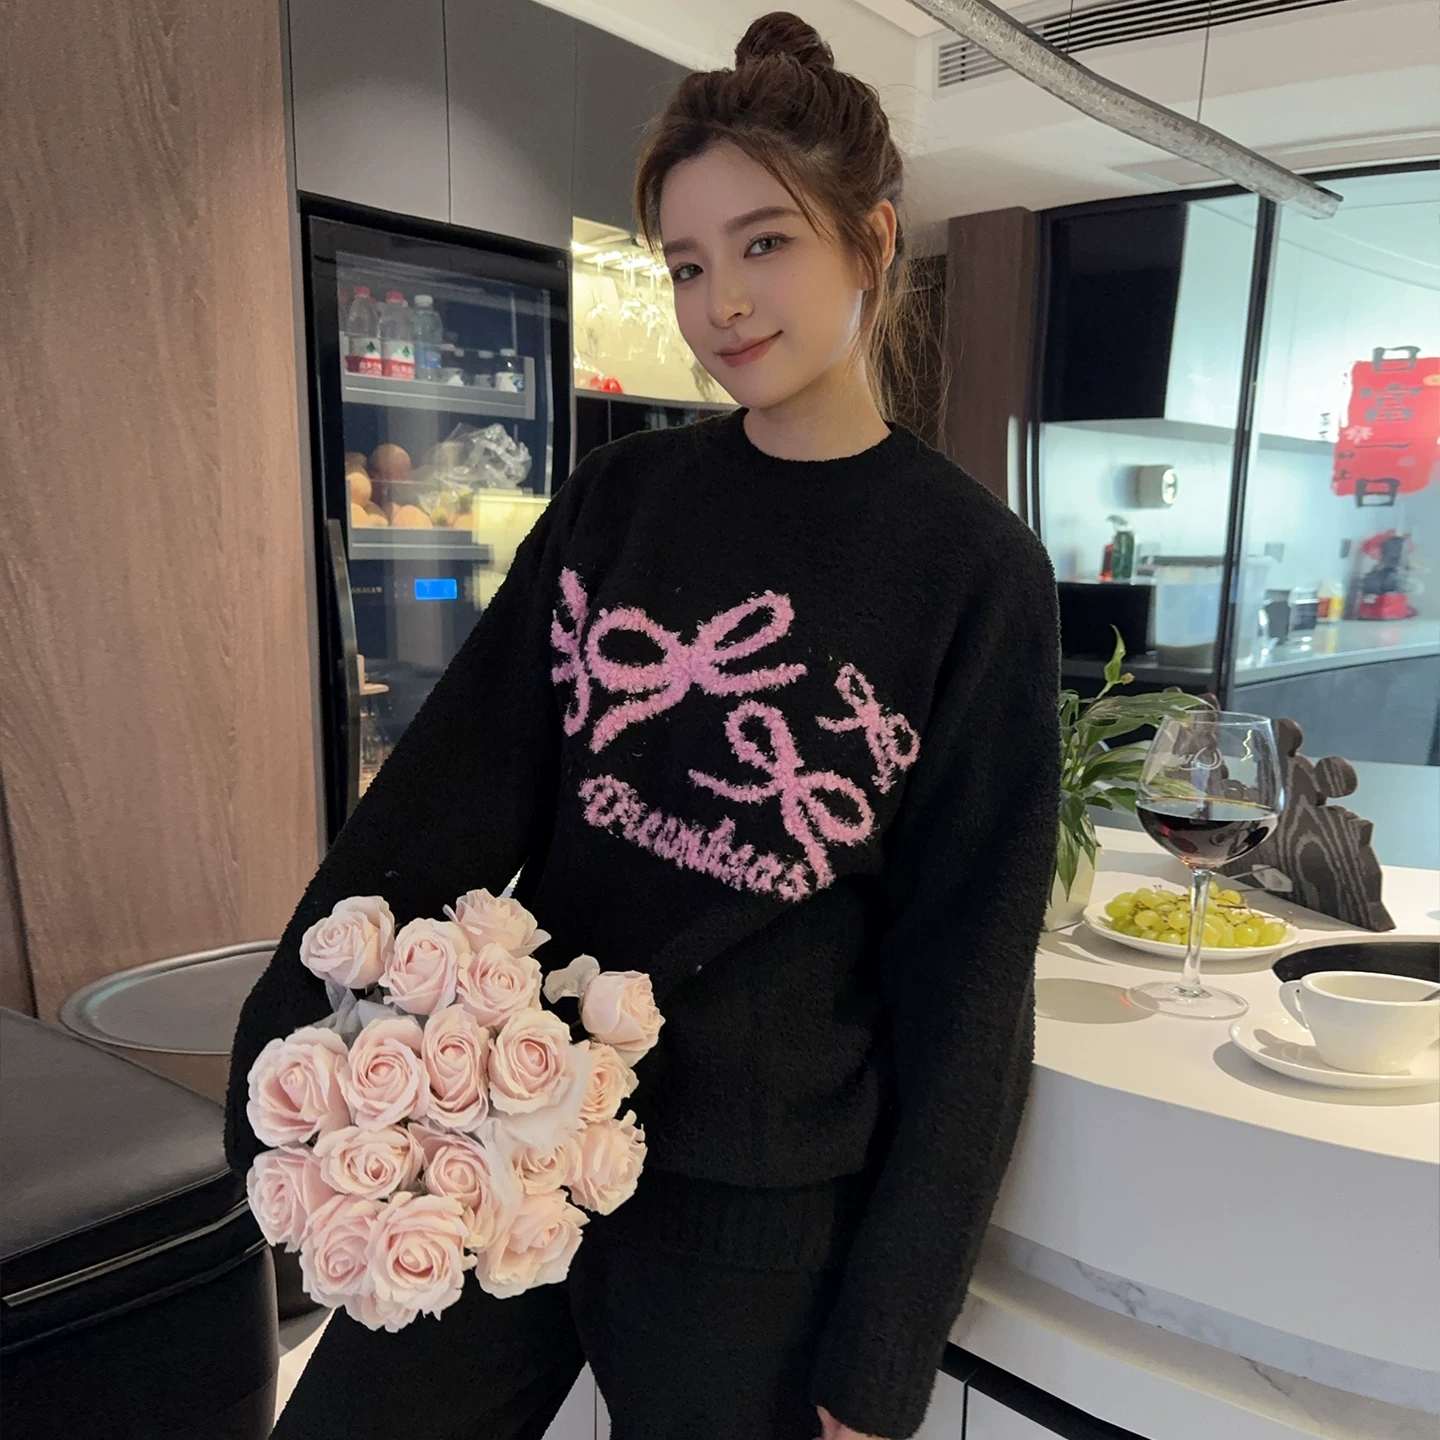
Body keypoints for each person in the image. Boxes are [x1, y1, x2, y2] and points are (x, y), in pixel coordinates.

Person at [226, 13, 1060, 1440]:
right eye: (683, 263)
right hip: (507, 1129)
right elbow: (449, 793)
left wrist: (882, 1349)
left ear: (871, 241)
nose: (720, 300)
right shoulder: (619, 504)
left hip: (753, 1219)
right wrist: (285, 1047)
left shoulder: (971, 570)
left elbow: (968, 979)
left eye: (764, 244)